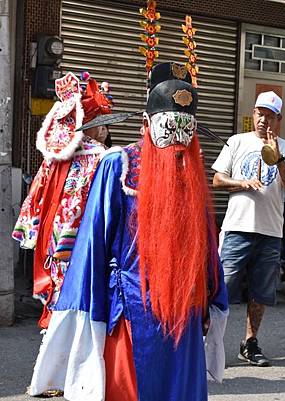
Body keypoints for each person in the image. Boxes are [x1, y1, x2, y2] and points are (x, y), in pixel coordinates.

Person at [27, 62, 228, 400]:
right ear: (146, 124)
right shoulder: (118, 165)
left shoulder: (191, 169)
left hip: (185, 312)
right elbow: (94, 244)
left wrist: (209, 296)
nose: (178, 146)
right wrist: (87, 311)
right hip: (133, 310)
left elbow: (206, 241)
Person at [12, 72, 113, 328]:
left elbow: (36, 195)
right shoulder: (101, 156)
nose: (105, 128)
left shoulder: (55, 156)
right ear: (86, 122)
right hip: (85, 238)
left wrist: (32, 229)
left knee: (58, 291)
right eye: (100, 120)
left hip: (53, 236)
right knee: (82, 296)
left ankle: (54, 337)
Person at [212, 91, 285, 367]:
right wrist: (241, 183)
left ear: (279, 119)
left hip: (271, 230)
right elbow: (217, 179)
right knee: (221, 287)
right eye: (260, 113)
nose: (264, 120)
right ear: (253, 113)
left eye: (270, 116)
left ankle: (249, 344)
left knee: (260, 292)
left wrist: (280, 160)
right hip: (238, 228)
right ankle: (208, 343)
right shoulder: (236, 142)